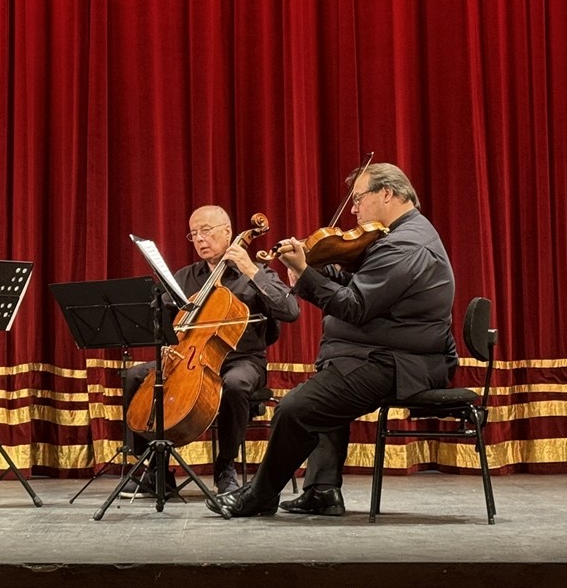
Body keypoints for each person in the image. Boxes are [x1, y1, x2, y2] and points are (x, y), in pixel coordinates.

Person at [209, 162, 458, 518]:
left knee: (295, 409)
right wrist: (306, 267)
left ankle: (261, 495)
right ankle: (321, 490)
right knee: (330, 377)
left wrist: (307, 273)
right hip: (382, 355)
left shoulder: (406, 245)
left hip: (401, 363)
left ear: (386, 194)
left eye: (359, 199)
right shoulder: (394, 235)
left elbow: (354, 305)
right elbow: (355, 280)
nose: (354, 209)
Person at [123, 205, 300, 496]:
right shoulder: (186, 276)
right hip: (187, 358)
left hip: (242, 360)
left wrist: (251, 270)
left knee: (235, 384)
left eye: (206, 230)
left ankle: (225, 467)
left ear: (228, 232)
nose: (200, 239)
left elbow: (290, 310)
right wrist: (163, 322)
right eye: (194, 234)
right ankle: (155, 470)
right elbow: (162, 320)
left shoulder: (255, 272)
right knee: (134, 376)